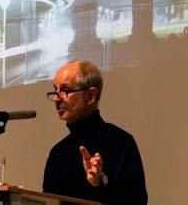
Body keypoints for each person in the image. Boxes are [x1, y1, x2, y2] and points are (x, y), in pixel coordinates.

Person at [43, 60, 148, 204]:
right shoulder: (58, 152)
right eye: (55, 90)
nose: (56, 98)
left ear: (90, 96)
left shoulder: (121, 143)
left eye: (65, 90)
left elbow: (136, 201)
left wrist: (99, 183)